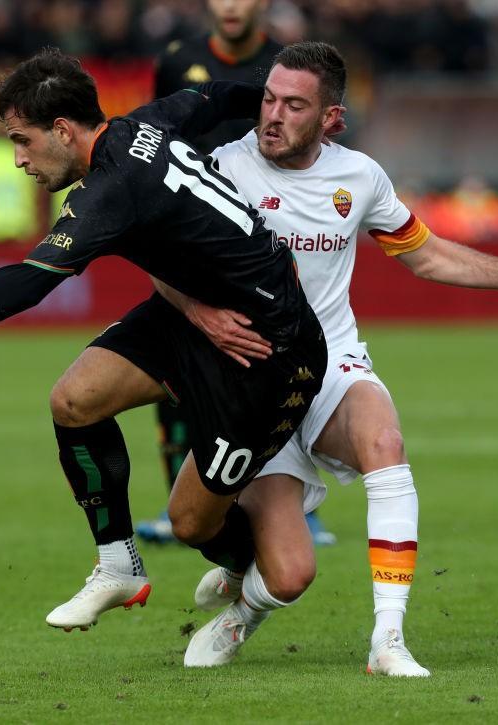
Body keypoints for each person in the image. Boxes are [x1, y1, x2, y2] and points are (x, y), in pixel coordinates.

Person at [0, 48, 328, 633]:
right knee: (74, 400)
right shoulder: (144, 125)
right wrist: (264, 103)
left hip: (268, 354)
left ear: (63, 131)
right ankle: (119, 566)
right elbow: (211, 99)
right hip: (196, 317)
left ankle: (249, 575)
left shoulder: (109, 191)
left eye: (23, 140)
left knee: (194, 525)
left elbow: (24, 284)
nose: (18, 159)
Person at [149, 42, 498, 674]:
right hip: (250, 379)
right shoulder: (220, 170)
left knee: (384, 439)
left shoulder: (359, 178)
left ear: (331, 118)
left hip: (331, 362)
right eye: (268, 99)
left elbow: (427, 254)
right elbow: (158, 257)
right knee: (282, 570)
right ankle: (248, 603)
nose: (272, 115)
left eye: (293, 105)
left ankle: (388, 641)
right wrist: (201, 316)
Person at [139, 0, 337, 547]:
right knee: (179, 370)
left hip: (264, 228)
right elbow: (156, 134)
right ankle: (176, 498)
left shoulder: (285, 64)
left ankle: (295, 502)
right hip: (191, 230)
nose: (230, 5)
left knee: (280, 364)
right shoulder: (178, 59)